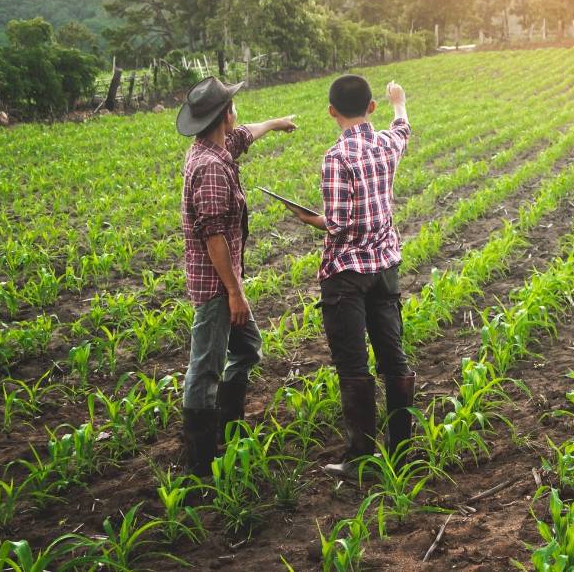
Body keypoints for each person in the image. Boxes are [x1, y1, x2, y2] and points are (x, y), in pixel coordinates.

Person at [287, 75, 415, 477]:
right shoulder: (385, 144)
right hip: (385, 268)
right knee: (393, 357)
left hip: (345, 274)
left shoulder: (335, 158)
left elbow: (338, 225)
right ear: (371, 107)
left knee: (354, 366)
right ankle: (402, 450)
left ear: (331, 112)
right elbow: (403, 128)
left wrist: (309, 218)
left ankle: (361, 458)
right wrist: (399, 101)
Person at [177, 76, 296, 476]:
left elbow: (246, 134)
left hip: (224, 284)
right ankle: (200, 462)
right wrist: (235, 293)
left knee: (246, 348)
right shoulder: (210, 168)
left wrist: (277, 123)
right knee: (205, 367)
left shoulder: (218, 146)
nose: (237, 113)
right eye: (232, 105)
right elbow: (214, 239)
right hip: (217, 287)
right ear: (224, 115)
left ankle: (230, 428)